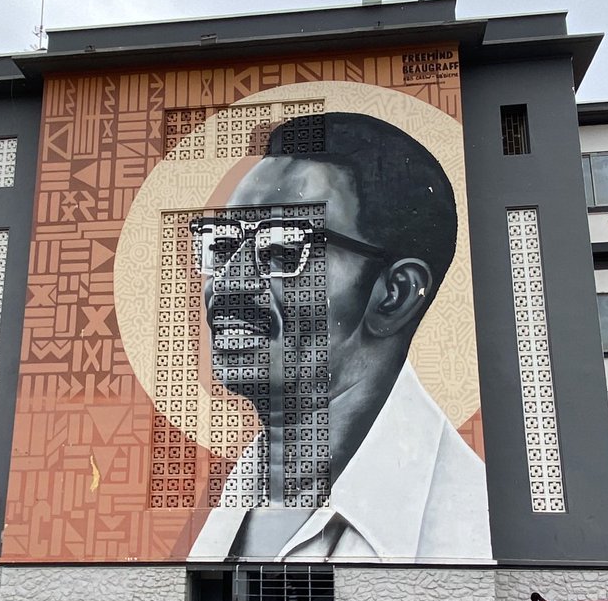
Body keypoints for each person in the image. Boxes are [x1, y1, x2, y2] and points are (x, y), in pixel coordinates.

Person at [187, 112, 492, 564]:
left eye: (282, 247)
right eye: (223, 245)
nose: (228, 284)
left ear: (396, 294)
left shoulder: (465, 530)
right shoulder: (239, 491)